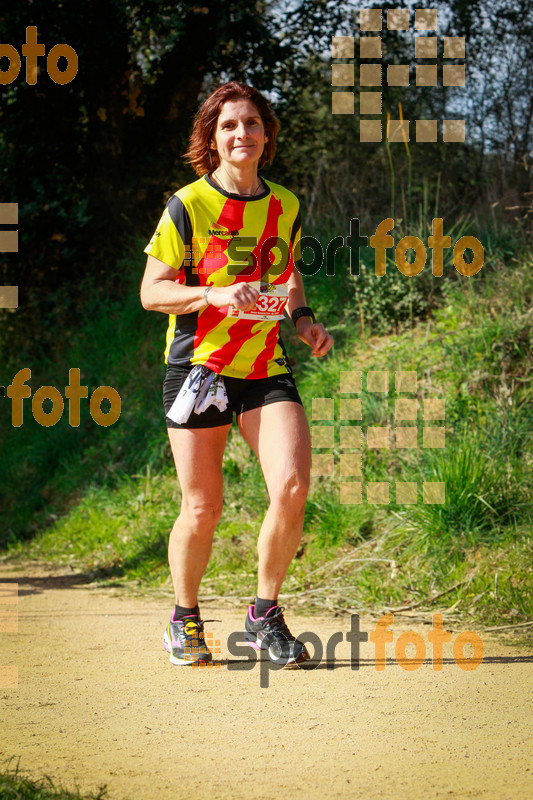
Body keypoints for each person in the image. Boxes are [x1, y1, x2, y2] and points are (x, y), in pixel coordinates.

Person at [140, 80, 333, 668]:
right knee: (202, 508)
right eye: (228, 125)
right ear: (212, 137)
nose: (241, 133)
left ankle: (263, 614)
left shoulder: (286, 205)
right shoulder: (188, 204)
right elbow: (152, 292)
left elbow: (288, 271)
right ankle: (185, 618)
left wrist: (302, 318)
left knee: (293, 486)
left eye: (251, 123)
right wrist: (213, 295)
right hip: (200, 368)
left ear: (266, 134)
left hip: (265, 368)